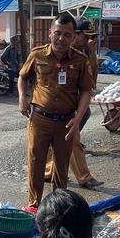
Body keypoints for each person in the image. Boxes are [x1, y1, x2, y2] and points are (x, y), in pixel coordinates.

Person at [18, 14, 94, 211]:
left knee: (61, 166)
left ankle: (58, 206)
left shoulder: (80, 60)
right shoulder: (37, 55)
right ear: (50, 33)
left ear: (73, 37)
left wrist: (78, 118)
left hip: (66, 122)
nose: (61, 39)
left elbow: (86, 90)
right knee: (36, 162)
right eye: (58, 33)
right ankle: (34, 204)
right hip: (39, 119)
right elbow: (23, 77)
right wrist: (21, 98)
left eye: (67, 35)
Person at [44, 19, 102, 189]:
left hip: (76, 103)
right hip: (62, 105)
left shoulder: (85, 53)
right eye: (87, 36)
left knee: (64, 138)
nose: (91, 40)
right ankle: (83, 177)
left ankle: (48, 171)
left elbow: (91, 79)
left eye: (92, 37)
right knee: (72, 139)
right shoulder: (65, 52)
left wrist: (91, 53)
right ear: (77, 35)